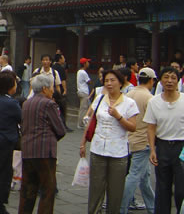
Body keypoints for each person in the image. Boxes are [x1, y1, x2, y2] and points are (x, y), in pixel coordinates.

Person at [79, 69, 139, 214]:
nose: (109, 83)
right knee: (96, 189)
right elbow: (91, 122)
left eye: (112, 80)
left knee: (115, 191)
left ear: (120, 83)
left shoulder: (129, 103)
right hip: (98, 149)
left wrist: (119, 116)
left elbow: (133, 127)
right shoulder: (100, 99)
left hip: (118, 152)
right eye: (106, 81)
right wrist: (83, 143)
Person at [18, 74, 65, 214]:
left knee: (28, 190)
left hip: (28, 150)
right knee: (47, 190)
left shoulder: (27, 103)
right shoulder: (49, 104)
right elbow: (60, 129)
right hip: (44, 151)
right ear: (45, 88)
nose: (52, 90)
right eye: (51, 87)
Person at [144, 66, 184, 213]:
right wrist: (152, 150)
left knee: (181, 189)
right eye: (166, 77)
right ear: (160, 81)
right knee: (162, 188)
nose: (169, 81)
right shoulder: (154, 102)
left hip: (181, 148)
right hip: (162, 147)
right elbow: (151, 128)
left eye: (173, 78)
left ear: (178, 81)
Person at [120, 67, 156, 214]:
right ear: (152, 80)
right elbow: (153, 122)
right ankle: (121, 208)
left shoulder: (129, 94)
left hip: (129, 138)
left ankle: (152, 207)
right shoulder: (149, 98)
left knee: (144, 177)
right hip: (143, 140)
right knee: (134, 175)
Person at [0, 71, 22, 214]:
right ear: (10, 86)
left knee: (4, 173)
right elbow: (21, 118)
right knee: (4, 176)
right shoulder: (10, 103)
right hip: (4, 142)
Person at [52, 51, 71, 131]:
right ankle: (63, 125)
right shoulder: (61, 68)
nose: (64, 60)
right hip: (60, 90)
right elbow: (63, 80)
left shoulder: (52, 67)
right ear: (60, 59)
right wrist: (65, 90)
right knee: (62, 108)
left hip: (52, 90)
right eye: (63, 58)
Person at [76, 57, 91, 128]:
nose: (88, 63)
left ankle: (81, 123)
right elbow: (89, 81)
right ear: (84, 64)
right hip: (84, 91)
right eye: (87, 62)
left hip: (80, 91)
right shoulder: (83, 72)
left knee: (83, 108)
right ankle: (81, 124)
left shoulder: (79, 71)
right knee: (84, 108)